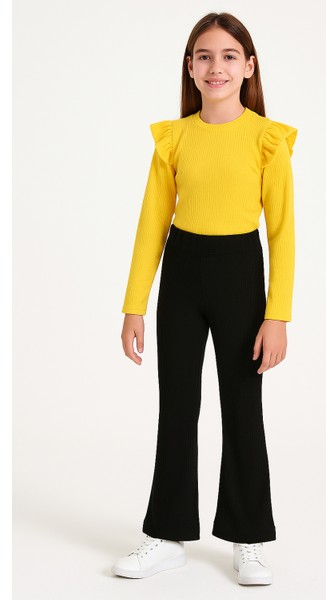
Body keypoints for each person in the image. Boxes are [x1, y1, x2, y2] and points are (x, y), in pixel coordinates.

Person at [112, 11, 298, 587]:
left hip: (240, 274)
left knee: (243, 407)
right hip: (183, 274)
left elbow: (282, 233)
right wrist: (135, 304)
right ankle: (166, 535)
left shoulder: (267, 140)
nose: (216, 67)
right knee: (177, 405)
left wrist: (277, 315)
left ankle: (249, 538)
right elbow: (151, 224)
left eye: (228, 56)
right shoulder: (174, 139)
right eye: (204, 56)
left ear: (249, 66)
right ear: (190, 68)